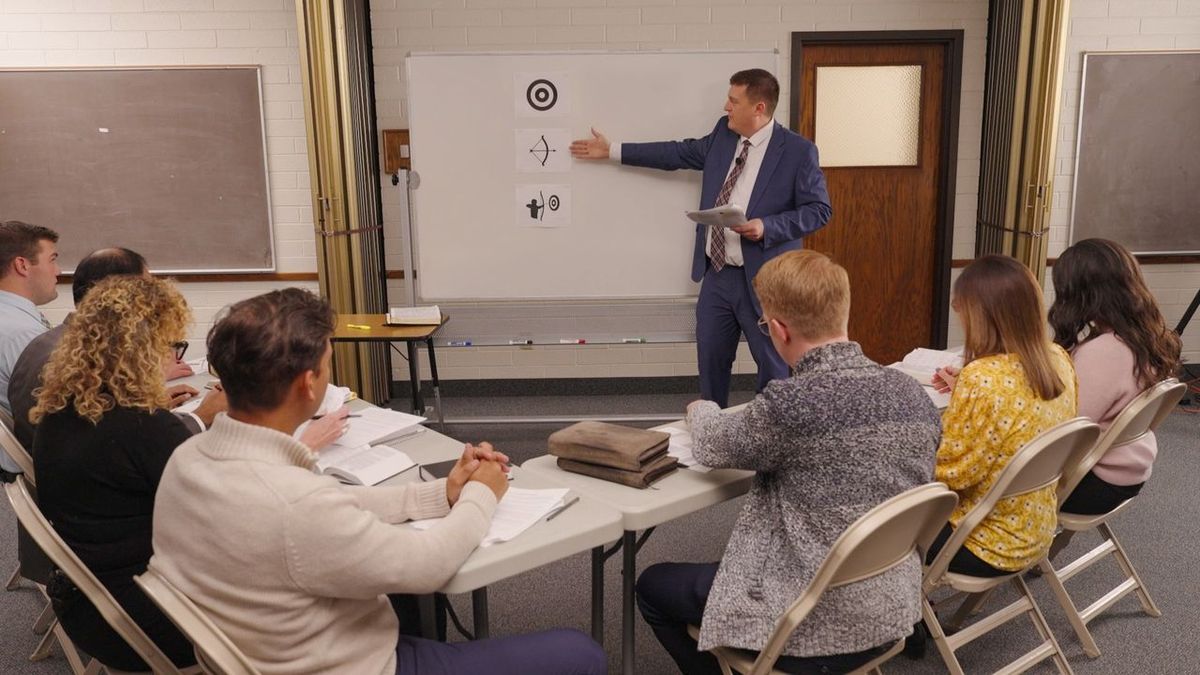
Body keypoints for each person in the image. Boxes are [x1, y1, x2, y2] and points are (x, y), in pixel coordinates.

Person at [148, 288, 606, 675]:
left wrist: (443, 493)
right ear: (309, 384)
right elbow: (427, 565)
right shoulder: (295, 505)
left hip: (271, 651)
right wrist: (482, 493)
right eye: (329, 362)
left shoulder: (188, 458)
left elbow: (326, 508)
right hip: (354, 665)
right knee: (580, 653)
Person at [635, 250, 940, 674]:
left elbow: (713, 445)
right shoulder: (912, 394)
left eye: (764, 324)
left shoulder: (791, 404)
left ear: (778, 330)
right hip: (892, 608)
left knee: (653, 587)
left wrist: (701, 408)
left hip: (811, 620)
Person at [570, 69, 832, 408]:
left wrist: (766, 226)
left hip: (767, 280)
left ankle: (772, 432)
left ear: (759, 108)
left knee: (774, 370)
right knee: (711, 364)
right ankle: (713, 430)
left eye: (734, 101)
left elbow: (818, 210)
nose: (725, 107)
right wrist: (613, 150)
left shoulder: (798, 151)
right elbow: (677, 153)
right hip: (718, 277)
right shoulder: (723, 134)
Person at [30, 275, 205, 670]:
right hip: (146, 620)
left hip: (88, 607)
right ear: (143, 350)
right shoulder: (144, 427)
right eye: (171, 346)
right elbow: (227, 510)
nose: (174, 357)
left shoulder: (65, 408)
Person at [928, 255, 1077, 576]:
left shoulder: (982, 378)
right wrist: (965, 392)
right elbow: (1017, 411)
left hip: (983, 542)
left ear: (981, 315)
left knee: (880, 524)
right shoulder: (1058, 358)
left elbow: (951, 473)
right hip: (1036, 528)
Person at [9, 248, 224, 449]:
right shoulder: (84, 363)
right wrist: (202, 415)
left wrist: (148, 404)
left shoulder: (51, 345)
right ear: (124, 298)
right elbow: (136, 446)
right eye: (148, 291)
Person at [1048, 238, 1181, 515]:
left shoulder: (1103, 352)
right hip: (1128, 471)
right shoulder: (1146, 337)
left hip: (1094, 483)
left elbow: (1063, 429)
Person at [0, 220, 59, 473]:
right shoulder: (22, 333)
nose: (58, 271)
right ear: (22, 265)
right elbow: (62, 411)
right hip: (33, 467)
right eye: (52, 260)